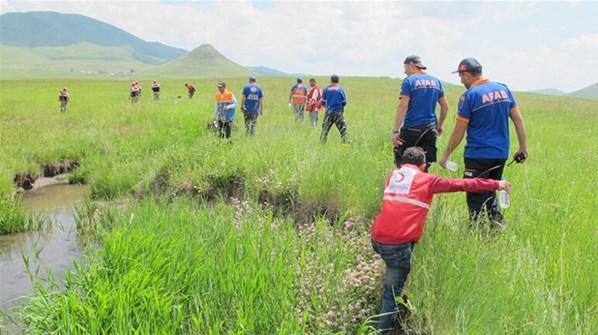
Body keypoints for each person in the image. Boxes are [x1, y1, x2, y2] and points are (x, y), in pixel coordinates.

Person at [371, 147, 511, 333]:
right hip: (398, 244)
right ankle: (382, 329)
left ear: (402, 162)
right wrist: (495, 184)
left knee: (394, 275)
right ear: (423, 166)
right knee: (391, 293)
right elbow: (463, 184)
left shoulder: (393, 176)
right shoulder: (427, 179)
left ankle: (390, 296)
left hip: (378, 239)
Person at [438, 58, 528, 227]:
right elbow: (518, 120)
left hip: (478, 154)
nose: (460, 80)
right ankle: (497, 228)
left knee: (475, 196)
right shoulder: (504, 89)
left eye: (461, 76)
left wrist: (445, 155)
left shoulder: (469, 96)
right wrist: (523, 148)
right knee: (491, 190)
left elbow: (459, 131)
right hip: (500, 154)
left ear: (466, 74)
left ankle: (476, 232)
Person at [392, 55, 448, 172]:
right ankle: (423, 188)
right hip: (430, 129)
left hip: (411, 128)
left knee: (403, 163)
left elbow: (403, 106)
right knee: (424, 164)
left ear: (411, 65)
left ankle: (403, 188)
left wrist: (396, 131)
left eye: (405, 68)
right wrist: (440, 125)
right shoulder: (436, 81)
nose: (404, 71)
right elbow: (445, 106)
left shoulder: (409, 81)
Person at [320, 74, 349, 143]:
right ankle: (346, 144)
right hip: (338, 113)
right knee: (343, 131)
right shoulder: (341, 90)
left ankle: (322, 145)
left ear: (331, 80)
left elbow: (323, 102)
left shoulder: (326, 90)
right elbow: (344, 102)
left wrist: (327, 107)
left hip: (328, 113)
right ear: (338, 81)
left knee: (324, 131)